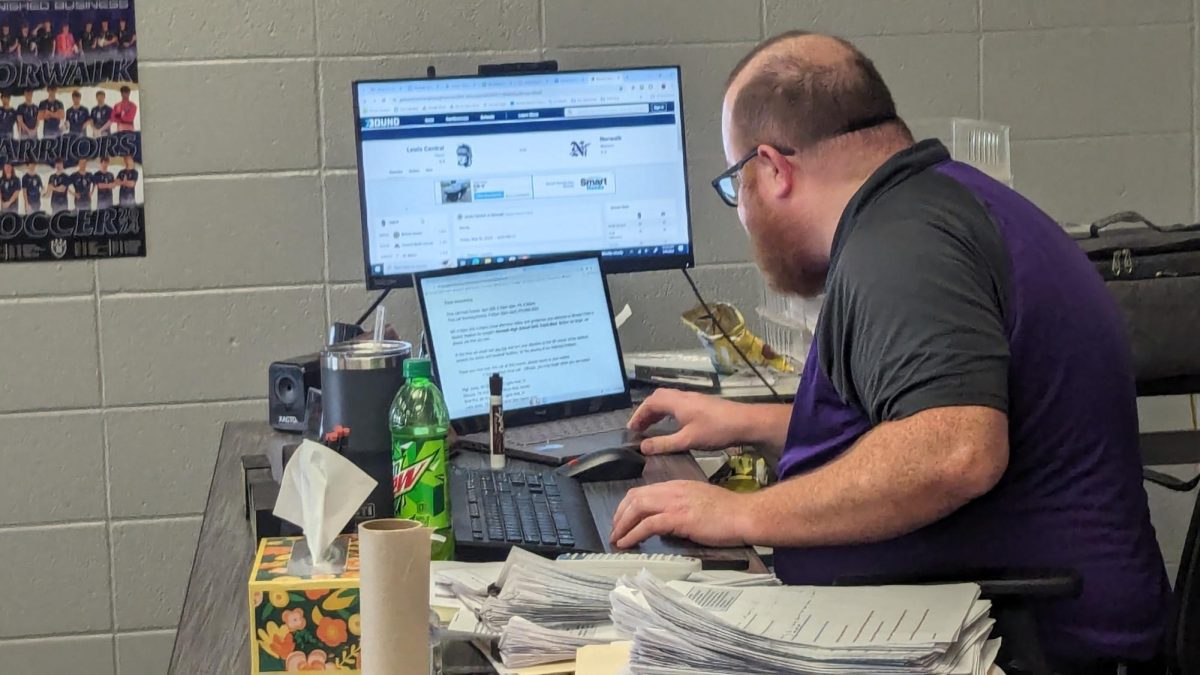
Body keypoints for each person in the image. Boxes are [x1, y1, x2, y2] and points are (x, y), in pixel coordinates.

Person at [608, 32, 1170, 672]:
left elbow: (955, 450)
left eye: (736, 185)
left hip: (1025, 646)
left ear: (772, 169)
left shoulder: (902, 247)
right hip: (1018, 626)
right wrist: (756, 424)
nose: (743, 209)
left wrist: (742, 514)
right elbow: (915, 417)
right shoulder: (937, 206)